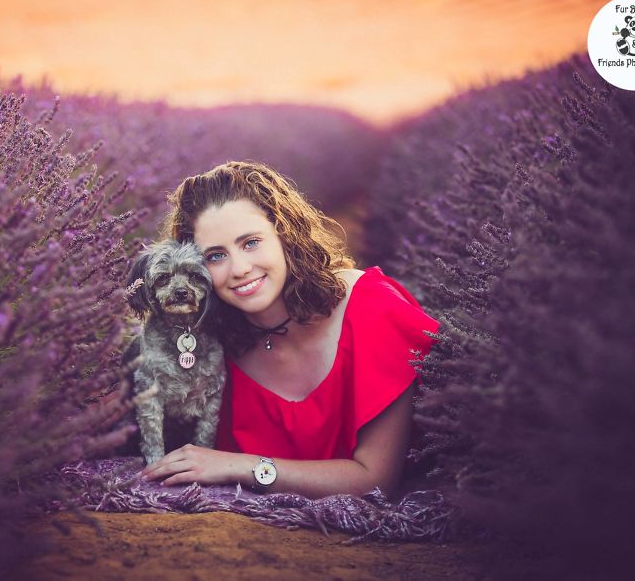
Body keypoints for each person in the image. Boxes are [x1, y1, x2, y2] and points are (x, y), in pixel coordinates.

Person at [138, 161, 440, 499]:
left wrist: (240, 466)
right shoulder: (211, 344)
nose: (239, 269)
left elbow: (376, 481)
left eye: (250, 243)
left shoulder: (373, 310)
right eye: (215, 256)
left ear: (285, 234)